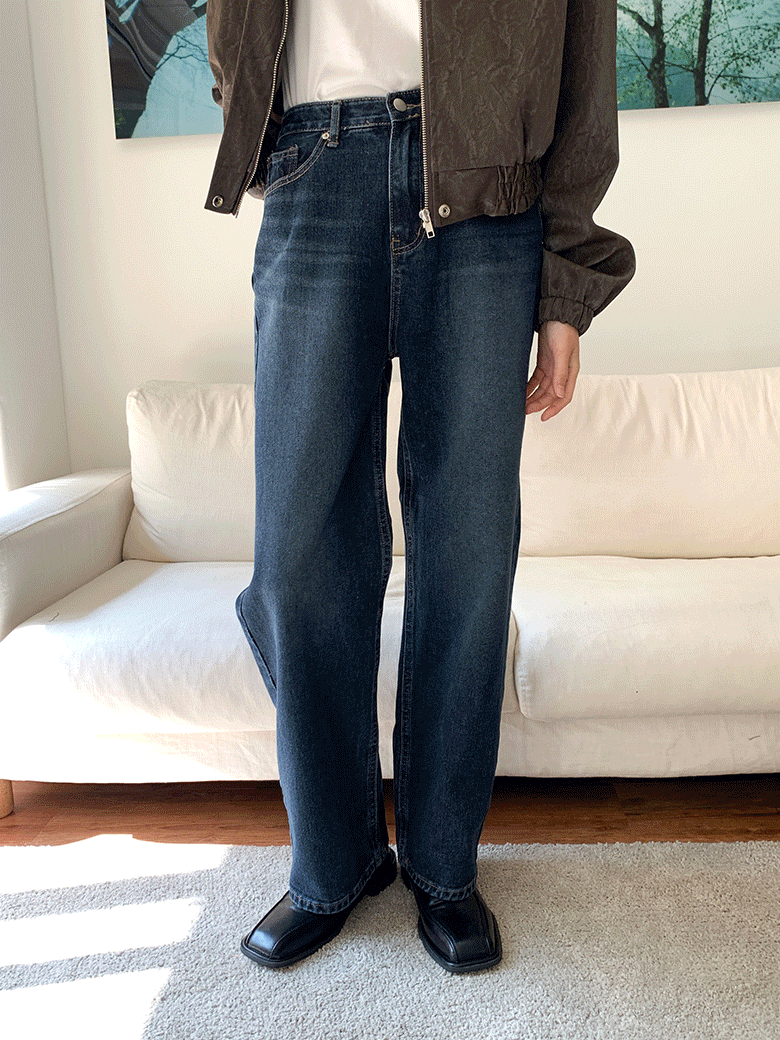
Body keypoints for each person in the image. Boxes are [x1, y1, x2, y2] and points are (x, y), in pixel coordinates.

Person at [205, 0, 636, 973]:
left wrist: (567, 289)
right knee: (297, 562)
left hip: (490, 198)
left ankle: (443, 867)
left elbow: (582, 70)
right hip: (314, 166)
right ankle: (335, 861)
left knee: (467, 554)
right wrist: (259, 125)